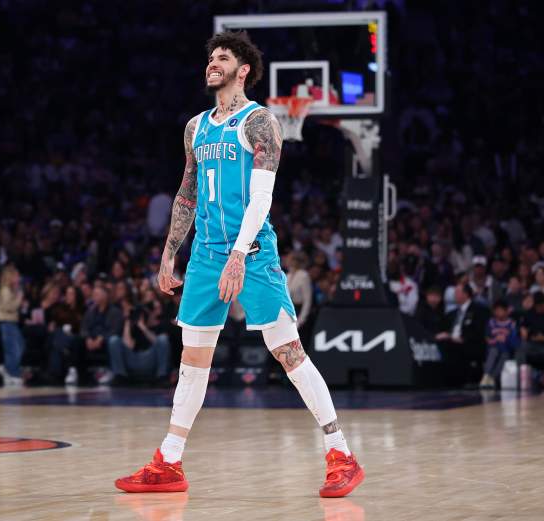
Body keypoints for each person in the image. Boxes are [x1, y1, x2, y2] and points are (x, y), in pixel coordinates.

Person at [115, 31, 364, 498]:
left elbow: (262, 196)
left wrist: (238, 255)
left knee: (288, 352)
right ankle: (168, 461)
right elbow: (187, 193)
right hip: (206, 256)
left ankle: (341, 453)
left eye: (222, 58)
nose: (212, 63)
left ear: (242, 69)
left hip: (251, 252)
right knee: (193, 359)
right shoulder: (196, 127)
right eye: (210, 57)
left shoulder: (260, 122)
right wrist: (170, 251)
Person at [435, 283, 489, 386]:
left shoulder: (479, 311)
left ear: (466, 294)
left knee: (452, 348)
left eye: (457, 292)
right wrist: (444, 335)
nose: (455, 295)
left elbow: (479, 331)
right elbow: (444, 329)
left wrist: (462, 339)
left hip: (469, 344)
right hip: (451, 341)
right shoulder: (452, 313)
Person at [0, 266, 25, 386]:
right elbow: (9, 307)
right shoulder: (6, 291)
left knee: (20, 345)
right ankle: (12, 373)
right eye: (17, 276)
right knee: (13, 349)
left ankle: (8, 369)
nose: (19, 278)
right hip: (7, 323)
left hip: (12, 322)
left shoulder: (11, 290)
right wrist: (19, 298)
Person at [479, 300, 520, 388]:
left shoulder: (512, 324)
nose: (498, 313)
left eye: (500, 310)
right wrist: (495, 339)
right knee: (493, 351)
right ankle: (486, 376)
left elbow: (515, 342)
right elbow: (487, 338)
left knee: (504, 356)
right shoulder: (491, 323)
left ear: (506, 311)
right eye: (496, 311)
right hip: (493, 348)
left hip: (506, 350)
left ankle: (492, 378)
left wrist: (506, 338)